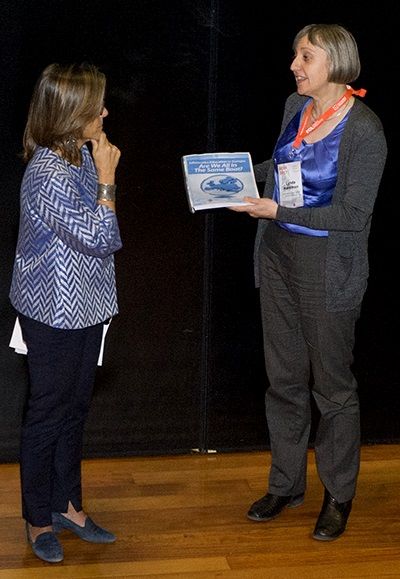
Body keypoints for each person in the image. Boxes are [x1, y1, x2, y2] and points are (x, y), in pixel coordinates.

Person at [230, 24, 387, 541]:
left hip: (327, 269)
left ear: (335, 63)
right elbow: (281, 167)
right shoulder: (293, 109)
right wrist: (230, 176)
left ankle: (338, 494)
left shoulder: (365, 129)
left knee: (334, 390)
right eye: (295, 54)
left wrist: (279, 207)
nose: (294, 65)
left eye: (305, 56)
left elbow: (353, 214)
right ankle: (286, 484)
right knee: (285, 380)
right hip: (277, 258)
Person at [9, 63, 122, 563]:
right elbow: (103, 235)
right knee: (48, 414)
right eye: (97, 105)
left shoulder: (78, 154)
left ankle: (68, 505)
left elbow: (99, 240)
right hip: (53, 309)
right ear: (73, 113)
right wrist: (108, 179)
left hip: (88, 304)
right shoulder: (47, 172)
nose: (105, 112)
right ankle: (37, 520)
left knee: (74, 410)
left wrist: (98, 172)